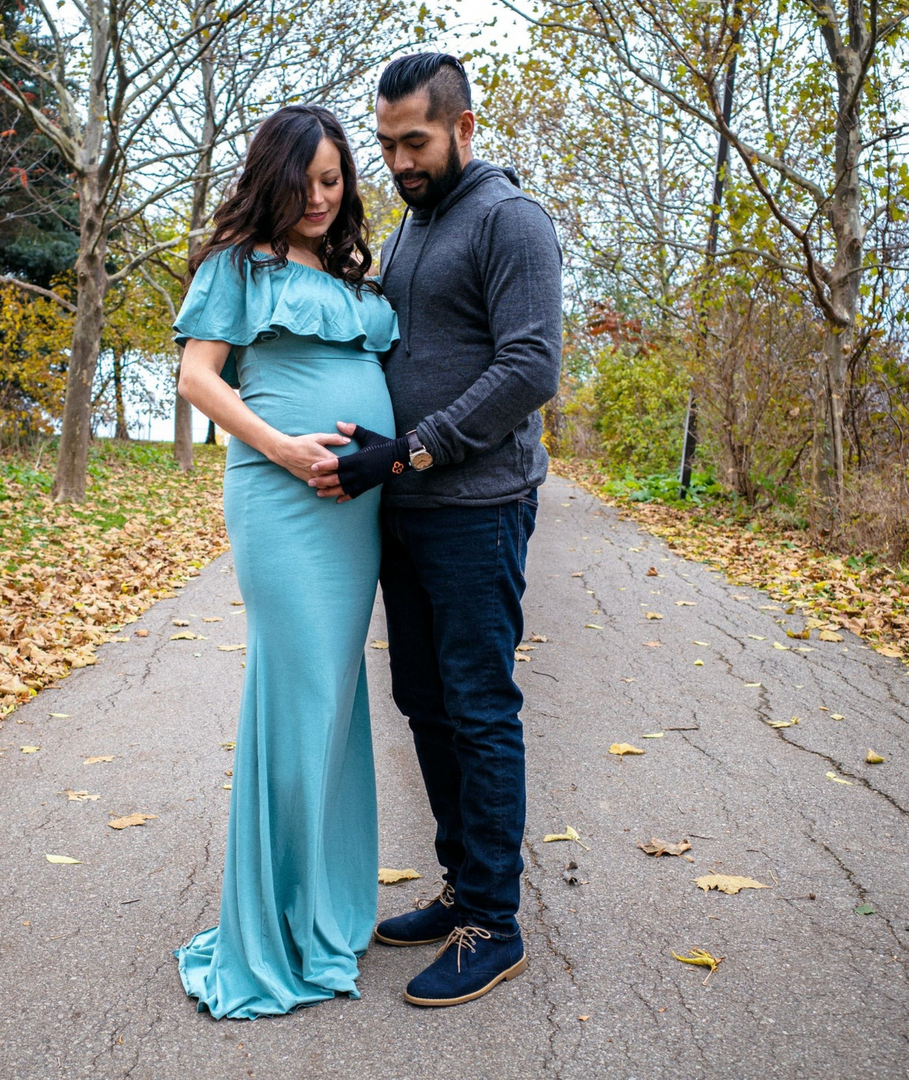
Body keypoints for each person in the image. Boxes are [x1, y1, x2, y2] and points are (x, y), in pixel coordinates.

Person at [309, 53, 563, 1008]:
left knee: (478, 706)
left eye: (413, 141)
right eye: (384, 144)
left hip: (477, 508)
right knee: (422, 700)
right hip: (407, 512)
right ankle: (460, 888)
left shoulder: (510, 220)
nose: (398, 162)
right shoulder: (416, 228)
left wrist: (410, 448)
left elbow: (531, 365)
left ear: (462, 128)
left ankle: (493, 923)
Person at [171, 105, 399, 1019]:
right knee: (296, 701)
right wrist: (285, 450)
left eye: (333, 179)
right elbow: (198, 379)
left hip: (357, 514)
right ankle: (270, 933)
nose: (318, 195)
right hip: (284, 501)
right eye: (303, 179)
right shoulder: (238, 265)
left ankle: (324, 912)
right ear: (272, 177)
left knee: (336, 705)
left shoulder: (351, 273)